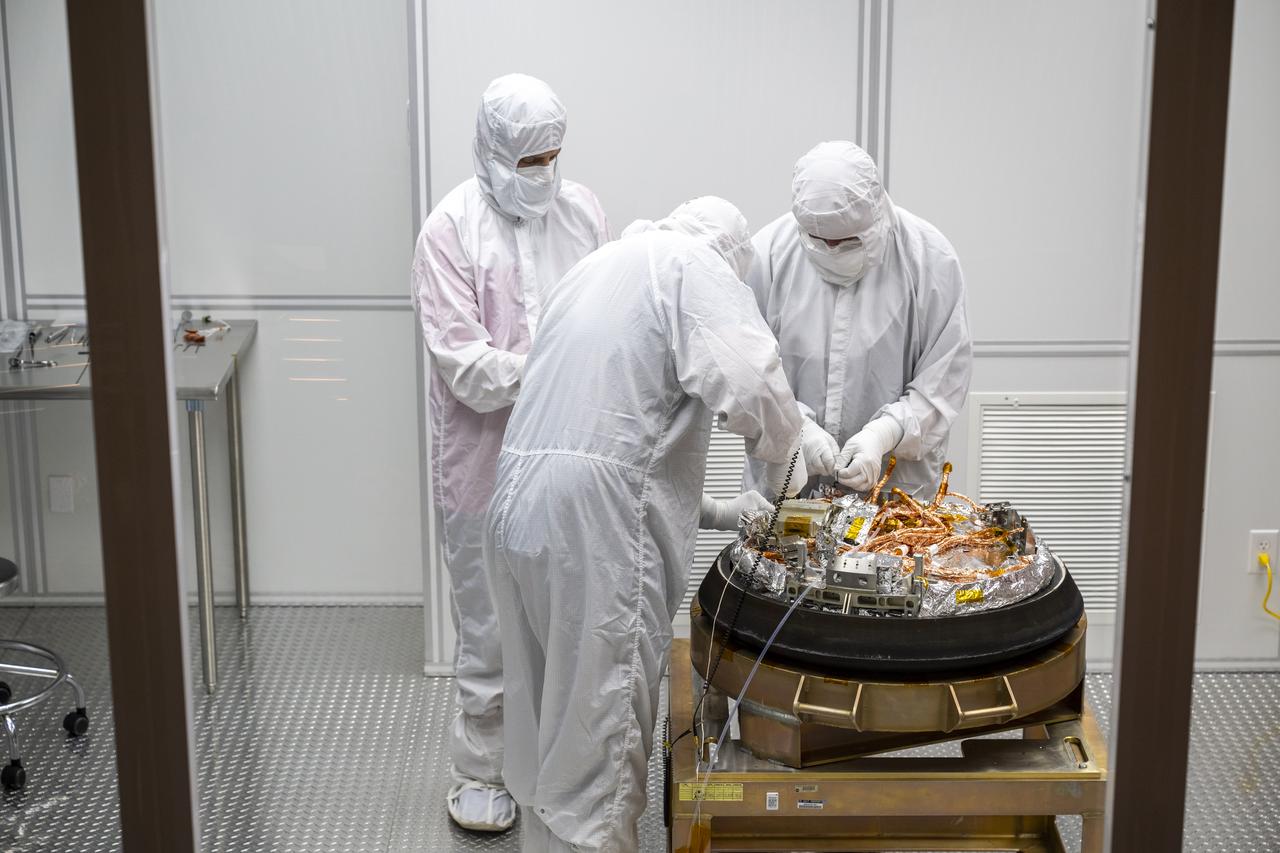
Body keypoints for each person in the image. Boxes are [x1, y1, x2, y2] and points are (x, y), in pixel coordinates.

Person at [484, 197, 807, 852]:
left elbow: (614, 444)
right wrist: (789, 477)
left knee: (547, 719)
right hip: (592, 531)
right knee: (598, 738)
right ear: (731, 259)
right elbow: (755, 385)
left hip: (519, 501)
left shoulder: (599, 266)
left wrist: (722, 511)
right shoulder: (694, 265)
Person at [411, 72, 609, 833]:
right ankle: (481, 770)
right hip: (483, 465)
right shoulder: (449, 230)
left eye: (552, 157)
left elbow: (605, 319)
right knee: (490, 627)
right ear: (490, 153)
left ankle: (559, 772)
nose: (544, 174)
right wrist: (558, 370)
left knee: (568, 619)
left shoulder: (584, 213)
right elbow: (464, 365)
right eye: (529, 161)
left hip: (571, 457)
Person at [744, 140, 973, 498]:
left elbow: (943, 379)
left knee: (889, 535)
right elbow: (749, 373)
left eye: (847, 241)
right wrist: (795, 428)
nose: (832, 250)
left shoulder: (930, 258)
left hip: (893, 487)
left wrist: (884, 433)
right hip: (788, 485)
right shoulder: (767, 253)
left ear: (876, 212)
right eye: (820, 240)